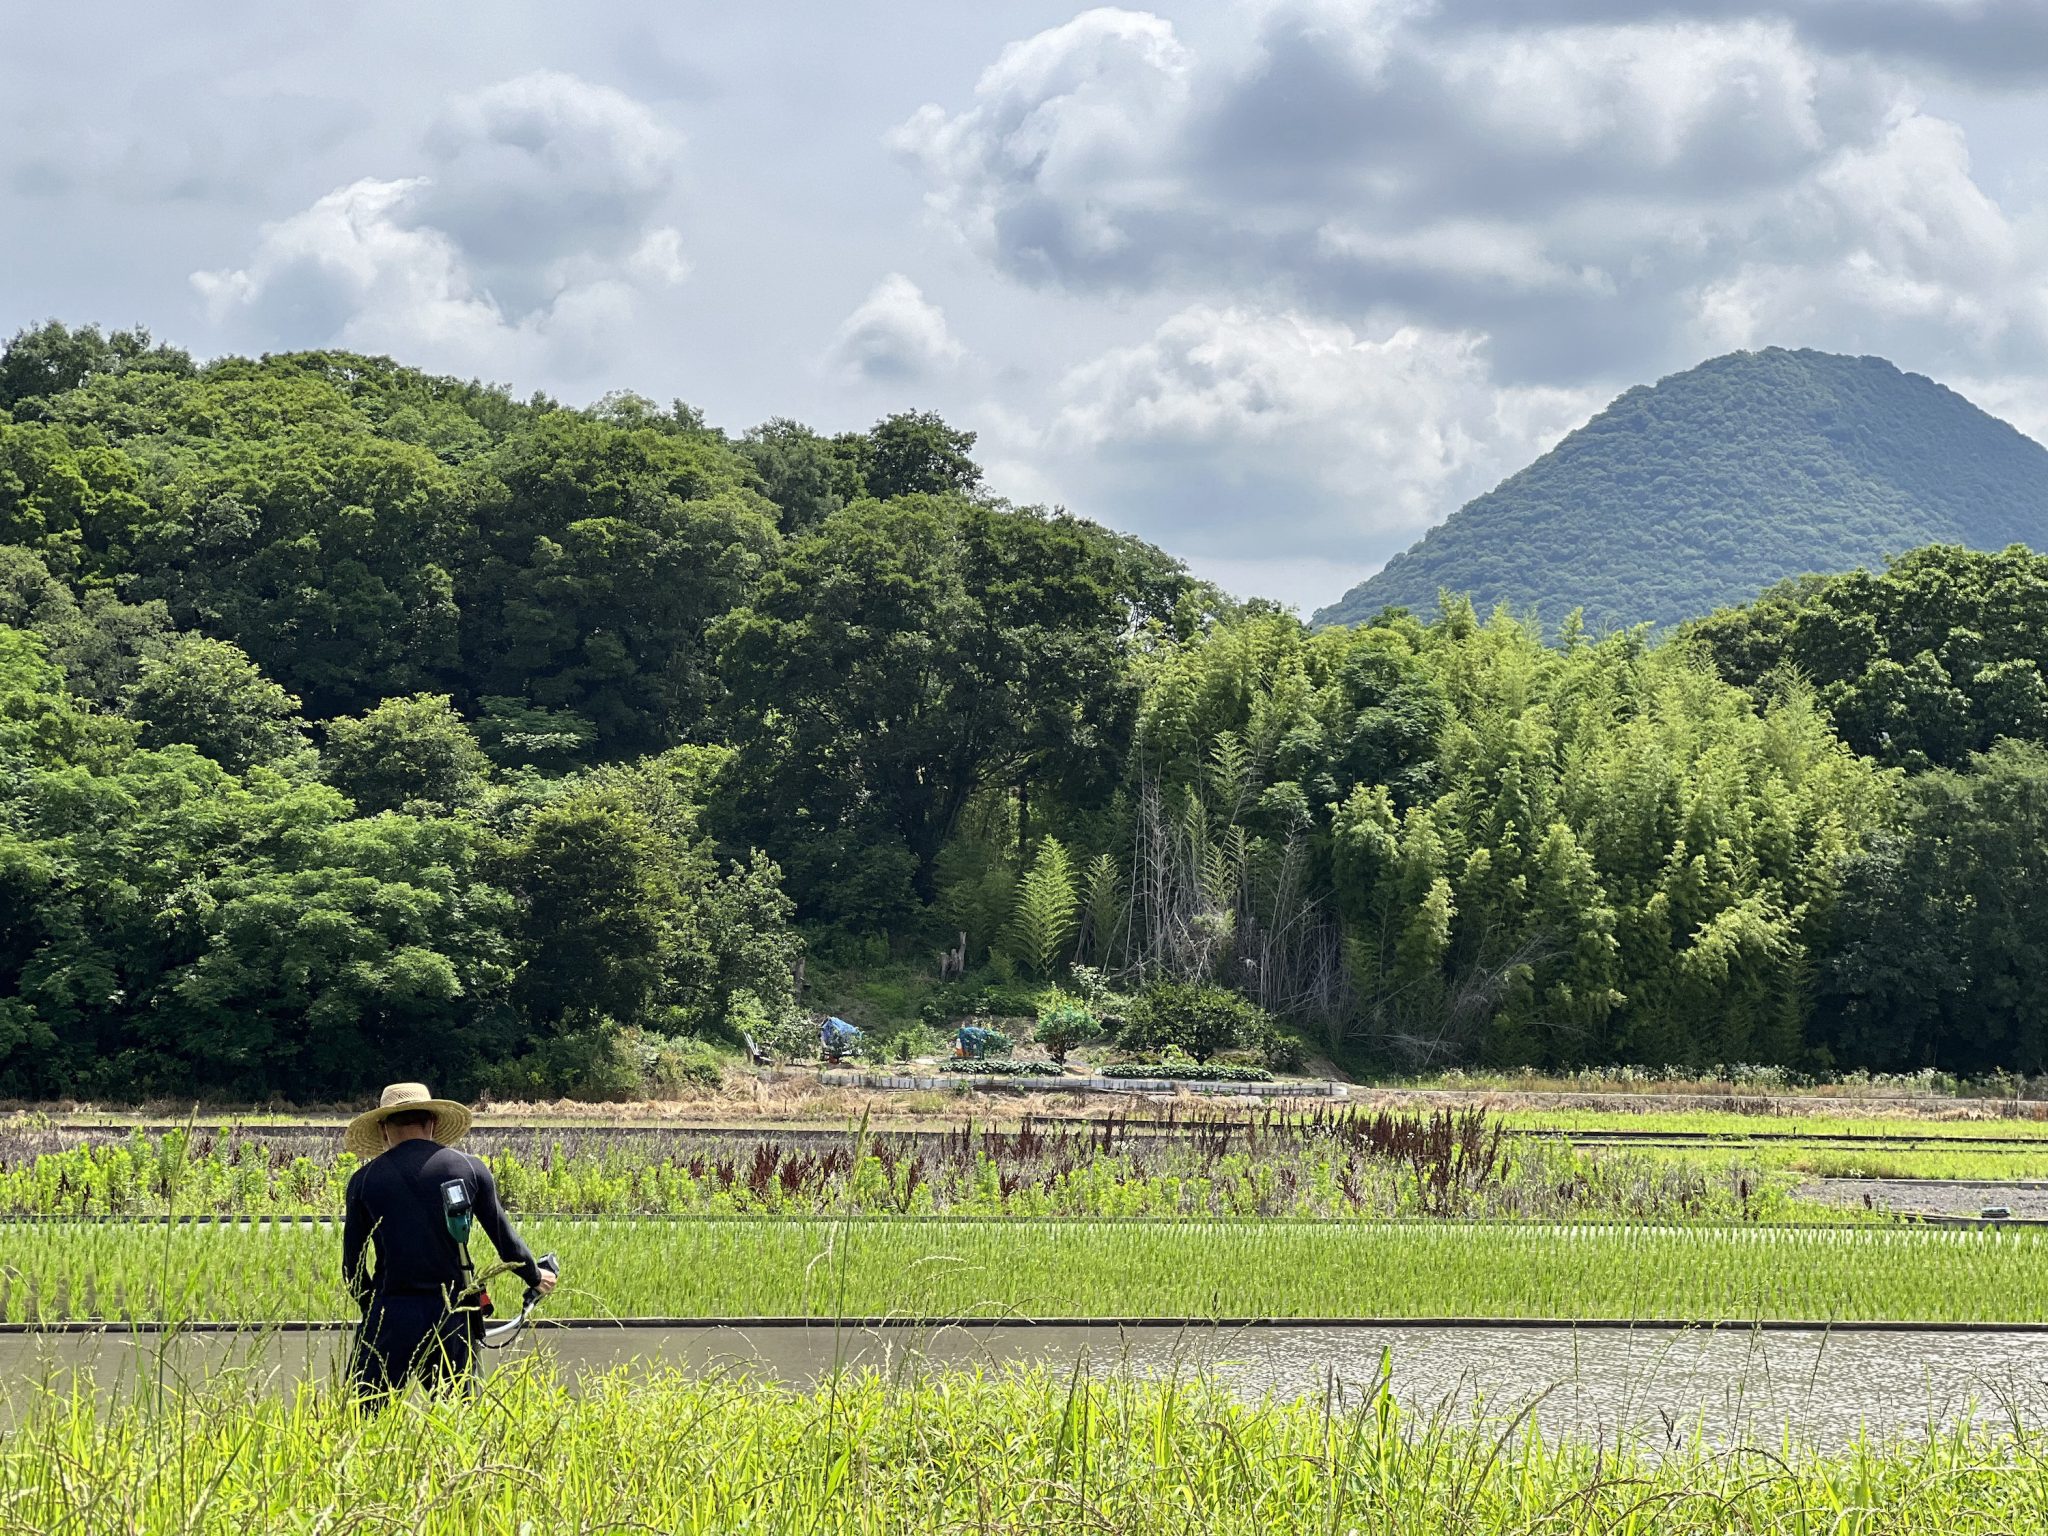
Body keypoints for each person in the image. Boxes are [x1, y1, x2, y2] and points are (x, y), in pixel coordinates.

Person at [340, 1081, 555, 1400]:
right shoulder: (469, 1168)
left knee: (368, 1413)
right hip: (453, 1311)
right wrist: (536, 1276)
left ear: (384, 1129)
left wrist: (375, 1311)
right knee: (458, 1416)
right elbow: (506, 1244)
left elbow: (353, 1270)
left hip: (391, 1311)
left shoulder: (365, 1180)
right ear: (433, 1122)